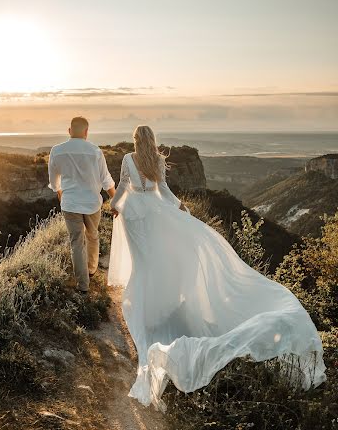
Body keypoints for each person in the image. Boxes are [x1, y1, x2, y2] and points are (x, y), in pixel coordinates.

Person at [107, 125, 326, 412]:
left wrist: (113, 204)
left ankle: (149, 309)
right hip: (156, 214)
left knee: (145, 262)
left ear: (136, 140)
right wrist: (180, 207)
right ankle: (161, 306)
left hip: (135, 215)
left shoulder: (128, 159)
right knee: (158, 261)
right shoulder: (157, 160)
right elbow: (164, 192)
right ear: (152, 140)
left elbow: (124, 186)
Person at [48, 116, 115, 294]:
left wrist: (61, 194)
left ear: (69, 131)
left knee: (76, 243)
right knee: (92, 236)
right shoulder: (95, 151)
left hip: (70, 203)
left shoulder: (57, 150)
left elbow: (54, 182)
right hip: (92, 203)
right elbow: (106, 180)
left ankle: (83, 285)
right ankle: (92, 269)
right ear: (86, 132)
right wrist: (115, 200)